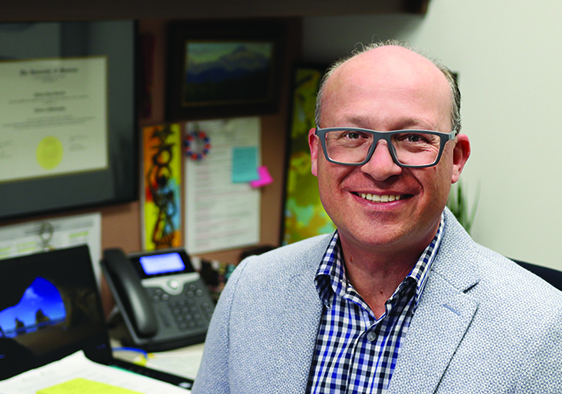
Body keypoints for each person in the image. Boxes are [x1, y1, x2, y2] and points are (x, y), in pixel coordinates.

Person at [192, 41, 562, 393]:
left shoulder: (542, 326)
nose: (381, 167)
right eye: (352, 135)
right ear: (316, 153)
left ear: (456, 158)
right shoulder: (250, 288)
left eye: (413, 138)